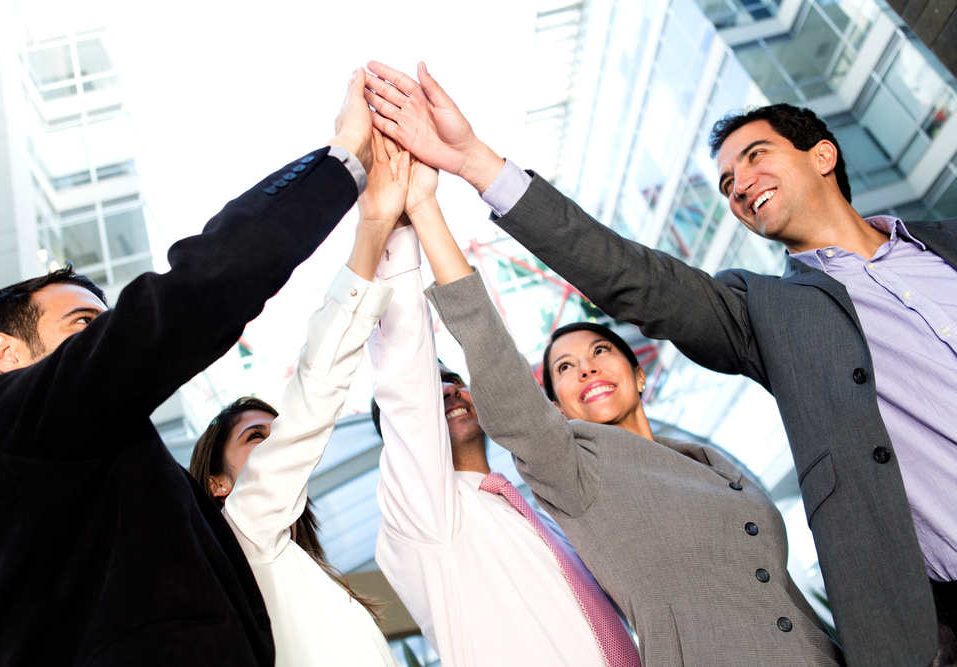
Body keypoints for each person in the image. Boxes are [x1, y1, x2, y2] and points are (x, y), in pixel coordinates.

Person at [362, 62, 957, 666]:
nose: (739, 184)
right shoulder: (763, 318)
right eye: (726, 182)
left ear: (823, 155)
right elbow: (624, 277)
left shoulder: (717, 465)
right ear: (553, 399)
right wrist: (469, 169)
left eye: (754, 157)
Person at [0, 68, 373, 667]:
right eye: (82, 326)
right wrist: (341, 164)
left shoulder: (79, 482)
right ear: (5, 353)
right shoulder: (4, 419)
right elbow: (195, 293)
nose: (105, 338)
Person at [393, 149, 843, 665]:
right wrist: (426, 209)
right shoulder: (572, 469)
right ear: (555, 407)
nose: (585, 368)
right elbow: (494, 359)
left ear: (638, 375)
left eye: (600, 352)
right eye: (564, 369)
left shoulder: (707, 463)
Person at [369, 152, 640, 666]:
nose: (449, 392)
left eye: (454, 381)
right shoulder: (422, 517)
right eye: (435, 388)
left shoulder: (537, 507)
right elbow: (404, 383)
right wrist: (401, 225)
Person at [188, 127, 408, 667]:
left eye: (275, 428)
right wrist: (374, 230)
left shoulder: (298, 567)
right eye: (256, 436)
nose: (278, 437)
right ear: (216, 484)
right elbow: (317, 385)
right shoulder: (241, 535)